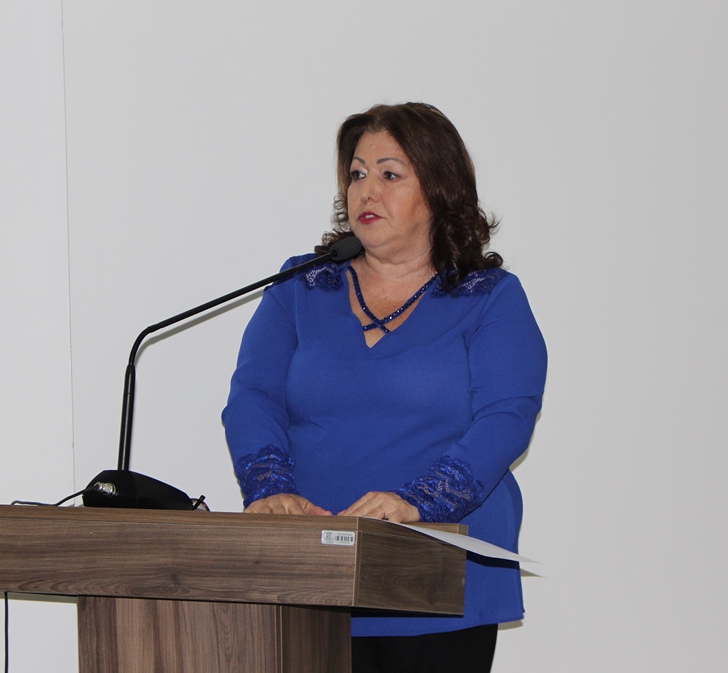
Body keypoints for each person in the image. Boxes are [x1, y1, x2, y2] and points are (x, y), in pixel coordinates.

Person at [222, 102, 547, 673]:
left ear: (439, 190)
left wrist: (418, 502)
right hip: (311, 576)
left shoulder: (490, 297)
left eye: (390, 174)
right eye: (356, 174)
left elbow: (507, 416)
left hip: (442, 579)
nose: (366, 191)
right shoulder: (300, 285)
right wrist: (269, 489)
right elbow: (253, 397)